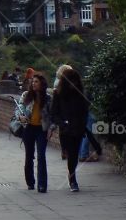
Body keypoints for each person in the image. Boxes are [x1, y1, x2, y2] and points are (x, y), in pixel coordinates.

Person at [51, 63, 90, 191]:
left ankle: (73, 179)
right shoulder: (58, 94)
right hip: (65, 129)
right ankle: (71, 174)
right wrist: (62, 123)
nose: (73, 84)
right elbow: (54, 113)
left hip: (77, 129)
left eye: (74, 81)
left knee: (74, 155)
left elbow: (85, 112)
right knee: (69, 153)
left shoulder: (81, 95)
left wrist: (82, 125)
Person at [18, 71, 52, 192]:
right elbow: (19, 108)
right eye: (32, 81)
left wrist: (51, 129)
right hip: (29, 128)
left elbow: (52, 116)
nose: (33, 83)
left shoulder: (48, 98)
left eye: (36, 81)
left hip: (41, 129)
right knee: (29, 156)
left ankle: (42, 185)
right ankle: (30, 182)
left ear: (42, 84)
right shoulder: (26, 95)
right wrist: (20, 116)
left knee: (41, 156)